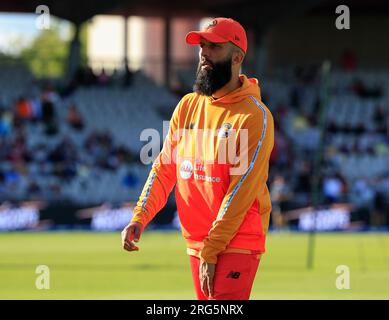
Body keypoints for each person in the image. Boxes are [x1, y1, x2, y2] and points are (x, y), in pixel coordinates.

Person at [121, 17, 274, 300]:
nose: (204, 53)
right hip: (198, 242)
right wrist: (140, 216)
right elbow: (164, 169)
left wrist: (213, 248)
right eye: (202, 45)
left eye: (214, 46)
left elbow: (241, 191)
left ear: (238, 56)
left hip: (235, 240)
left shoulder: (255, 115)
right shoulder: (188, 105)